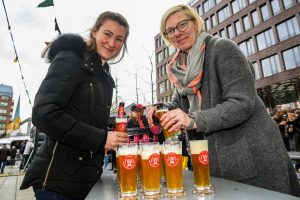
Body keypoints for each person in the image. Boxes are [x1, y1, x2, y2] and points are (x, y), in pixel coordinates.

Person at [147, 4, 300, 196]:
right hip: (214, 162)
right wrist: (159, 108)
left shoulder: (223, 49)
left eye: (183, 24)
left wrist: (193, 119)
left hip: (252, 158)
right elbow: (178, 105)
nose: (177, 33)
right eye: (170, 30)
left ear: (196, 24)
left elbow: (242, 103)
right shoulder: (181, 70)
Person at [20, 11, 129, 200]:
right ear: (94, 31)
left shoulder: (103, 75)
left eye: (119, 39)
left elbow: (86, 121)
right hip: (57, 183)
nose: (112, 44)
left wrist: (112, 136)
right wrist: (101, 138)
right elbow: (44, 114)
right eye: (108, 34)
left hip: (84, 180)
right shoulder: (72, 59)